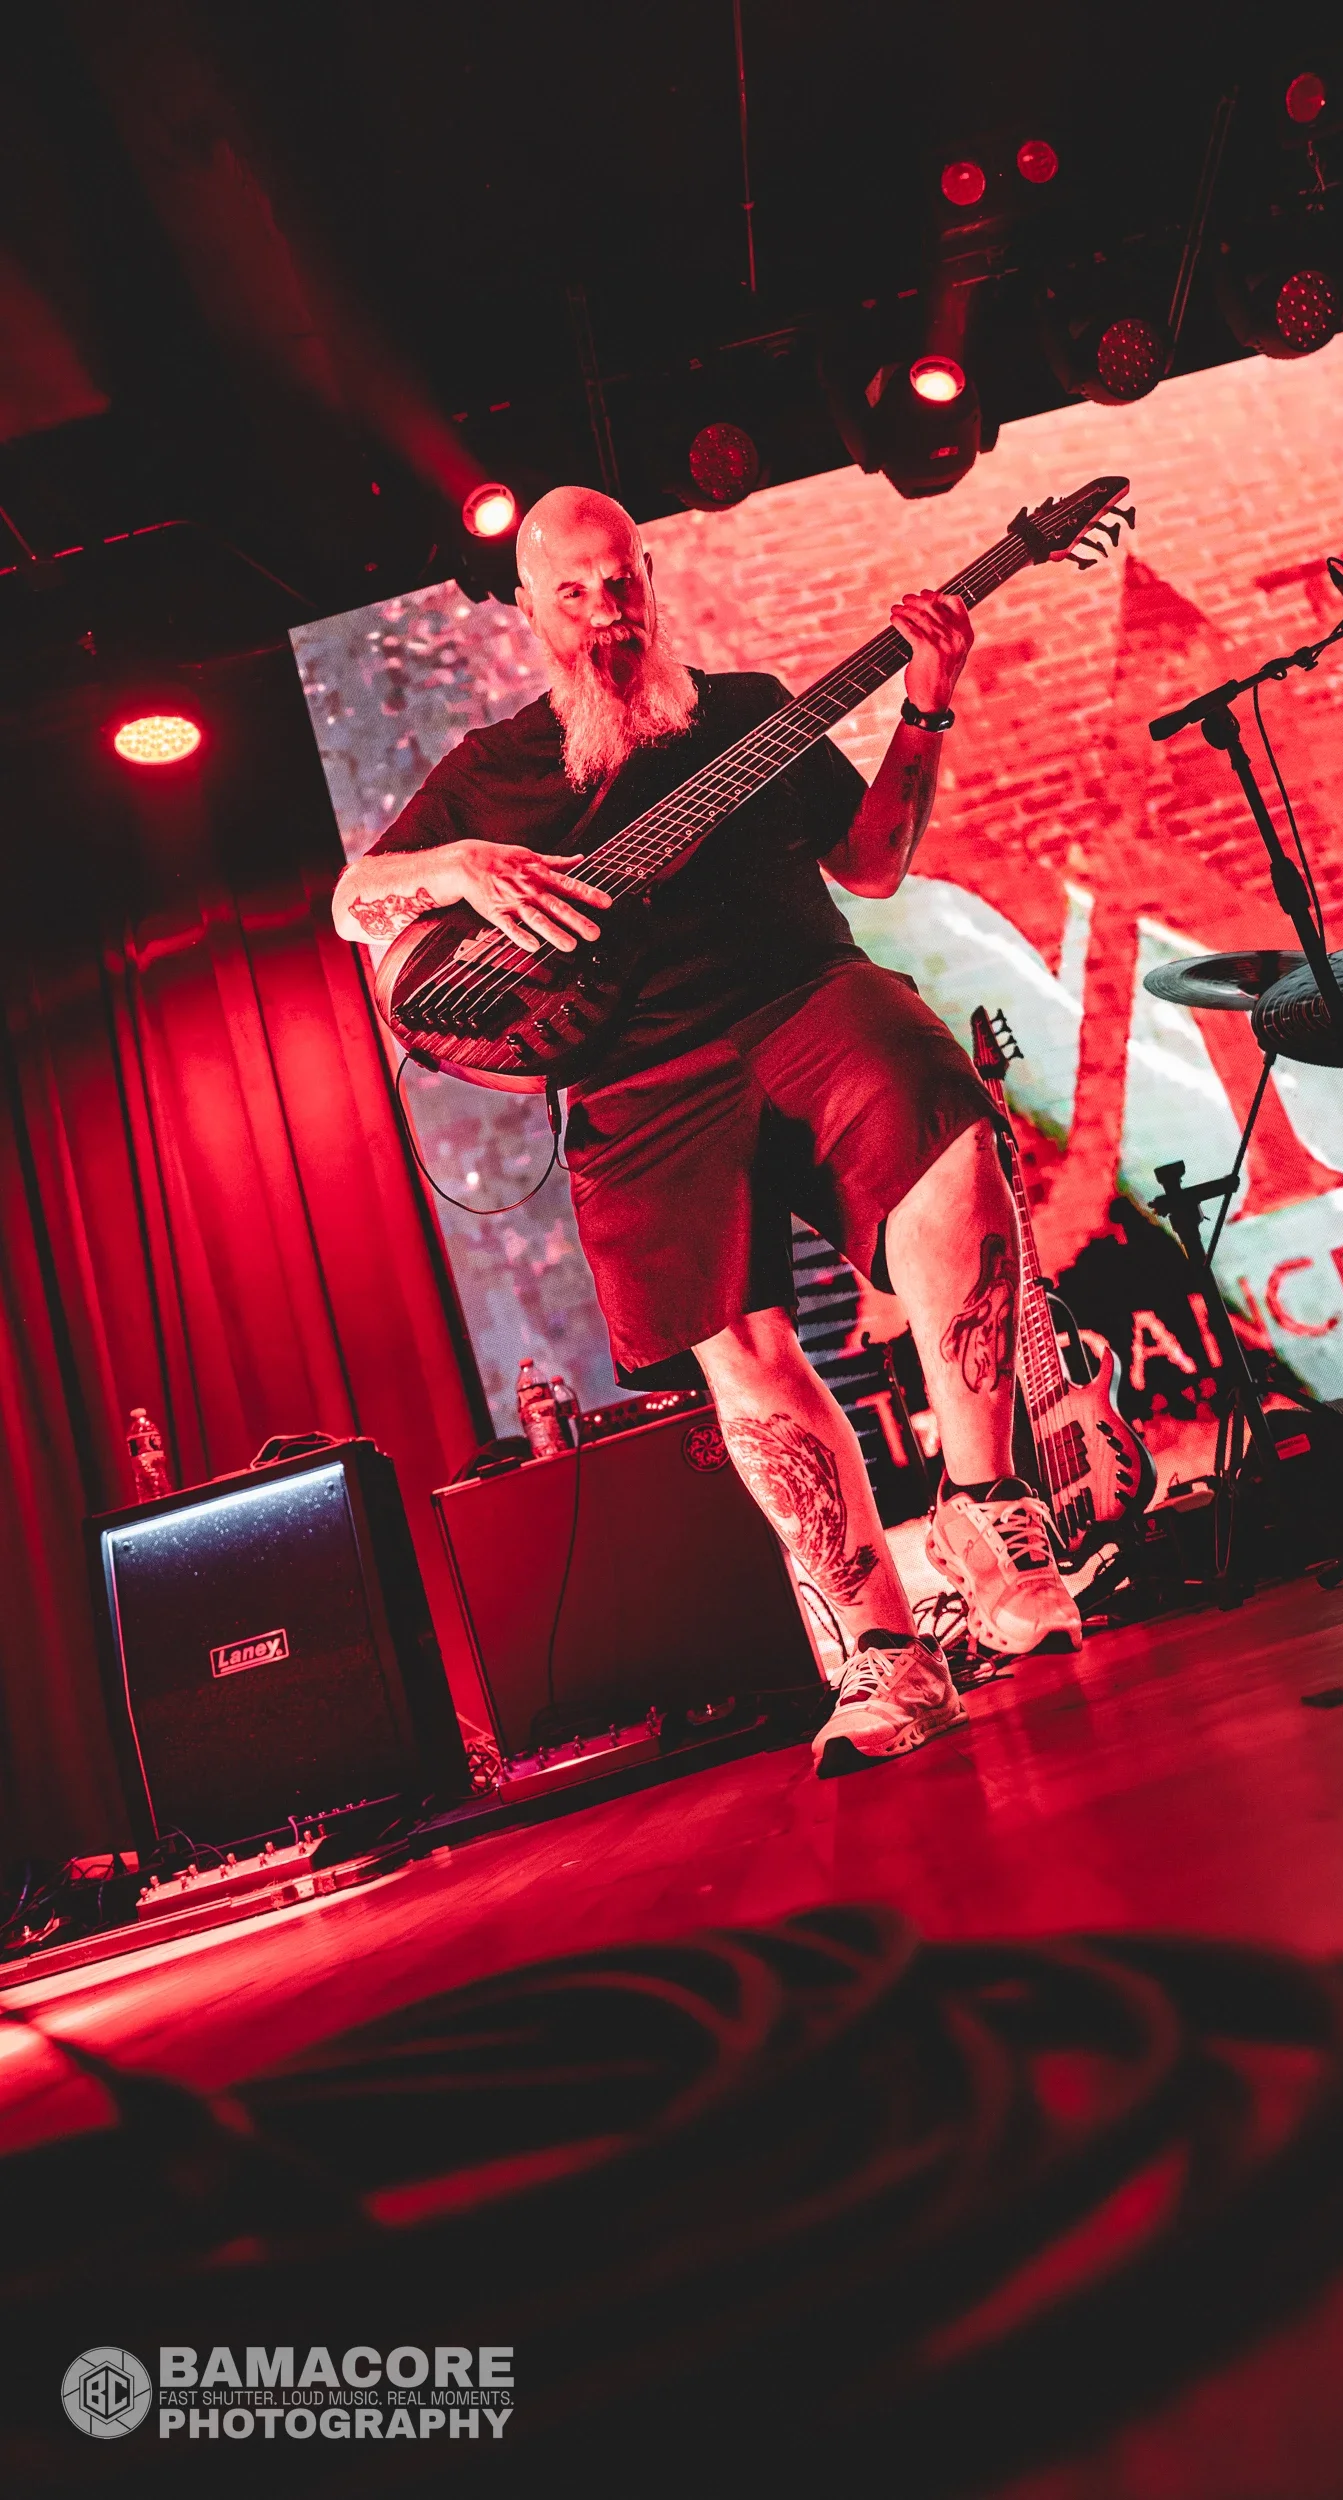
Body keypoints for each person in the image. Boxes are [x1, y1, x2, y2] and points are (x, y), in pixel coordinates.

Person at [333, 486, 1081, 1776]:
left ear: (647, 577)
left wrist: (927, 702)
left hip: (800, 998)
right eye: (571, 591)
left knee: (947, 1131)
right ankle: (885, 1658)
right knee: (738, 1348)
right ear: (530, 609)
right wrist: (456, 869)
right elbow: (353, 896)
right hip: (632, 1080)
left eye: (619, 581)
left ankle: (986, 1501)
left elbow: (875, 863)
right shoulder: (488, 775)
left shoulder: (749, 714)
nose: (604, 610)